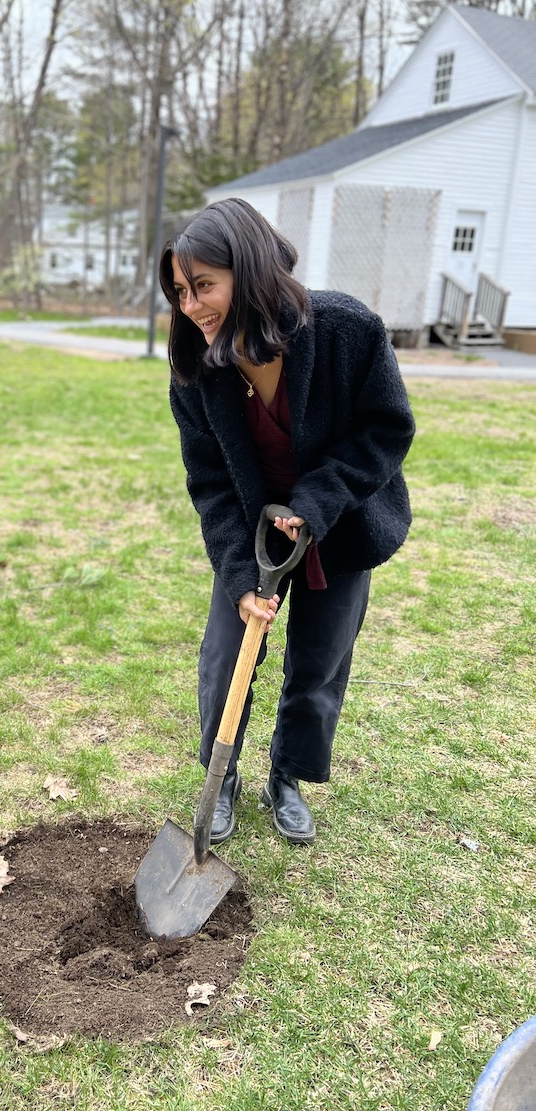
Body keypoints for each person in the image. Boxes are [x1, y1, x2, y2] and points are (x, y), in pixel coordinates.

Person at [160, 198, 415, 846]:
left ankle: (288, 777)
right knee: (225, 657)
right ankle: (221, 779)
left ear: (246, 272)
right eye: (181, 291)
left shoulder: (344, 330)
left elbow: (385, 431)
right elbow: (211, 483)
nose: (191, 305)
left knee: (320, 660)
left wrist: (317, 502)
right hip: (252, 532)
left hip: (341, 524)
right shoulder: (196, 371)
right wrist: (243, 574)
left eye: (204, 286)